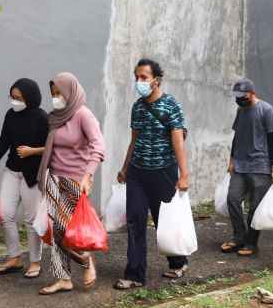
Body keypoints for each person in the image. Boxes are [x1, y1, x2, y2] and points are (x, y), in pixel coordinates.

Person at [114, 59, 190, 290]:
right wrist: (125, 167)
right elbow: (134, 140)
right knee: (135, 220)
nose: (139, 81)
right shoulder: (137, 107)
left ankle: (178, 261)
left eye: (144, 77)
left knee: (163, 220)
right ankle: (135, 274)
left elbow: (178, 140)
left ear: (157, 79)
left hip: (163, 171)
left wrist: (184, 174)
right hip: (137, 171)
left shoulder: (171, 105)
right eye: (136, 77)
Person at [36, 72, 105, 295]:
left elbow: (98, 147)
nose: (56, 97)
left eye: (60, 93)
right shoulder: (56, 116)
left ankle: (86, 262)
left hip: (75, 180)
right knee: (55, 233)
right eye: (53, 93)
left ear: (71, 91)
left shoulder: (84, 115)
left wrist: (88, 175)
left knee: (64, 230)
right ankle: (63, 278)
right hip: (54, 178)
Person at [0, 78, 48, 278]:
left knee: (32, 219)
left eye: (19, 98)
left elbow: (54, 147)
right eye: (12, 97)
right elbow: (3, 142)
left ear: (30, 97)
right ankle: (15, 257)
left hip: (33, 175)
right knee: (5, 214)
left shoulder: (43, 118)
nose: (14, 101)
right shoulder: (10, 115)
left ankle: (35, 261)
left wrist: (32, 151)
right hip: (12, 170)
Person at [219, 78, 273, 257]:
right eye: (236, 96)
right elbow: (237, 136)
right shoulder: (241, 110)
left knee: (255, 207)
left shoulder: (266, 110)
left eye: (242, 96)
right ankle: (239, 238)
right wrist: (232, 159)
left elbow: (272, 140)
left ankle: (251, 243)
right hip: (240, 164)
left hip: (260, 166)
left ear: (252, 93)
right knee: (232, 199)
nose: (239, 99)